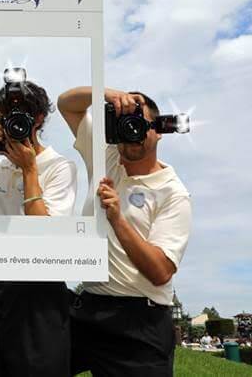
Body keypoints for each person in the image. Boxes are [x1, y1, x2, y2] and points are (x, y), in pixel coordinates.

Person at [58, 87, 192, 376]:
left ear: (158, 131)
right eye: (124, 124)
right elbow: (67, 104)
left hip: (139, 321)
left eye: (141, 125)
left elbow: (160, 271)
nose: (132, 132)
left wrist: (118, 219)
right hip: (89, 305)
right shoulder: (106, 156)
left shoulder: (173, 192)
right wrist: (108, 94)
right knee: (34, 358)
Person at [0, 80, 77, 376]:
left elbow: (45, 232)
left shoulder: (60, 166)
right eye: (4, 118)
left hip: (41, 290)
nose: (12, 125)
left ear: (38, 118)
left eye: (20, 117)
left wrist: (29, 170)